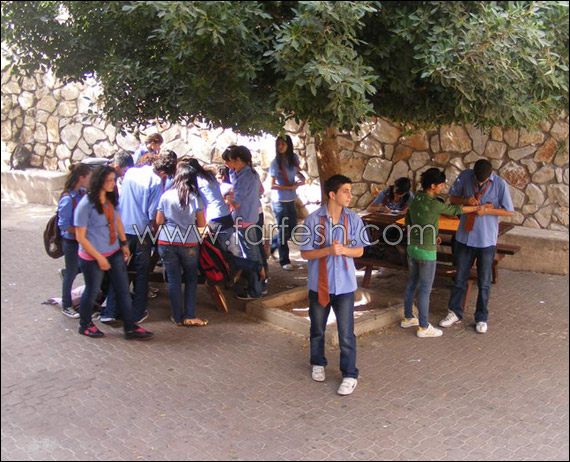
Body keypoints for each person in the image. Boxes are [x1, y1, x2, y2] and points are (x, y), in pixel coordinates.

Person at [300, 175, 367, 396]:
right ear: (332, 194)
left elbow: (360, 250)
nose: (350, 195)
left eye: (350, 191)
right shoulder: (312, 220)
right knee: (317, 328)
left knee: (346, 333)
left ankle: (349, 374)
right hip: (319, 285)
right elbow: (305, 253)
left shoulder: (354, 219)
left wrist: (344, 250)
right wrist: (328, 250)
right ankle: (317, 362)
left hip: (345, 286)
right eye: (345, 191)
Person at [73, 165, 153, 340]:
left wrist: (123, 244)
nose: (113, 183)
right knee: (92, 291)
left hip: (113, 251)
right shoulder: (85, 205)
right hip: (92, 257)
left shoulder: (110, 199)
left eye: (113, 180)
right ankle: (85, 324)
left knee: (123, 289)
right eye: (109, 180)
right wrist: (99, 257)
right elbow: (80, 237)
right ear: (99, 181)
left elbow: (117, 221)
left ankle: (130, 327)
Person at [401, 168, 482, 338]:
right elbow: (455, 210)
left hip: (412, 248)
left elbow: (409, 222)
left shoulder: (415, 200)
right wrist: (475, 208)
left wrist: (434, 234)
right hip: (426, 252)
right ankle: (424, 327)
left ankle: (408, 317)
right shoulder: (434, 203)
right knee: (425, 289)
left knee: (412, 283)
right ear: (432, 186)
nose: (443, 187)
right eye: (441, 184)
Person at [439, 159, 515, 334]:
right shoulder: (465, 177)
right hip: (464, 238)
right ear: (473, 174)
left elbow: (509, 211)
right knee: (459, 277)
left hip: (486, 240)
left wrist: (487, 210)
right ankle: (454, 312)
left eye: (483, 182)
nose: (480, 184)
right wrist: (466, 201)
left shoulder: (500, 185)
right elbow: (452, 198)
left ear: (490, 175)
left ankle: (481, 317)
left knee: (484, 281)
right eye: (477, 181)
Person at [101, 152, 177, 324]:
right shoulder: (156, 181)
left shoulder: (131, 172)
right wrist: (157, 231)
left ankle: (110, 311)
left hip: (123, 227)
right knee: (142, 273)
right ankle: (138, 311)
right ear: (164, 172)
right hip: (142, 231)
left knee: (119, 269)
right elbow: (152, 213)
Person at [156, 163, 208, 326]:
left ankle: (177, 316)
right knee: (191, 279)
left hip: (166, 240)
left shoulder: (166, 196)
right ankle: (190, 315)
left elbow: (159, 221)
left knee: (174, 279)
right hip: (189, 242)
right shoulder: (195, 198)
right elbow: (201, 224)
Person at [225, 145, 264, 300]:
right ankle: (260, 286)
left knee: (251, 257)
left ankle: (255, 291)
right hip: (250, 218)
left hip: (244, 220)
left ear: (238, 160)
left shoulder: (245, 177)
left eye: (231, 160)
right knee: (254, 254)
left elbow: (237, 203)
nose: (230, 164)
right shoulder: (249, 173)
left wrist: (227, 198)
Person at [184, 158, 240, 257]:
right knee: (230, 248)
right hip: (226, 214)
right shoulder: (209, 175)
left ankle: (230, 264)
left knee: (220, 252)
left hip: (214, 217)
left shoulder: (196, 181)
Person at [57, 163, 92, 318]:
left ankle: (66, 272)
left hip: (80, 240)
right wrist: (80, 231)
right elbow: (64, 225)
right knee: (71, 273)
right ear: (81, 178)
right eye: (88, 177)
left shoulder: (82, 194)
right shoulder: (67, 199)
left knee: (84, 266)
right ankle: (66, 305)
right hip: (71, 242)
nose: (90, 180)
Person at [269, 135, 306, 271]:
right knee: (284, 230)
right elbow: (272, 185)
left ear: (289, 145)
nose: (280, 147)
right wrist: (289, 188)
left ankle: (272, 246)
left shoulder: (293, 159)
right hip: (279, 201)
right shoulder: (275, 163)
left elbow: (298, 172)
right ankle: (284, 260)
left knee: (292, 227)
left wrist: (301, 179)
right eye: (278, 144)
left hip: (291, 199)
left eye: (283, 144)